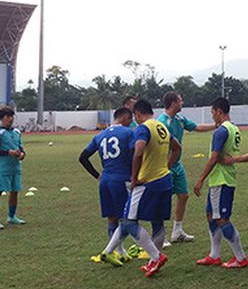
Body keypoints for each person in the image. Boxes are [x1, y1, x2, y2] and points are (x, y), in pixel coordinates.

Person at [99, 99, 181, 277]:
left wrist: (134, 178)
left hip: (147, 183)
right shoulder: (162, 127)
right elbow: (177, 148)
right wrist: (167, 166)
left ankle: (156, 256)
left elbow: (138, 152)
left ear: (137, 114)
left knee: (128, 221)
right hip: (165, 181)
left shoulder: (143, 128)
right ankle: (151, 261)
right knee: (157, 221)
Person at [193, 98, 247, 268]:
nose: (212, 116)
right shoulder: (234, 128)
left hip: (221, 179)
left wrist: (200, 179)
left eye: (212, 112)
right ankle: (214, 255)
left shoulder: (221, 131)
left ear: (218, 111)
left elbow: (214, 157)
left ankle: (240, 258)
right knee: (211, 215)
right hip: (222, 178)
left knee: (222, 219)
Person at [157, 91, 216, 244]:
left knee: (183, 195)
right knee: (163, 200)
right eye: (180, 100)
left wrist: (216, 125)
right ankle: (160, 235)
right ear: (173, 103)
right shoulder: (162, 122)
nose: (182, 103)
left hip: (177, 165)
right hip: (165, 166)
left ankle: (177, 232)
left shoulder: (180, 118)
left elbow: (196, 127)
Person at [79, 107, 135, 260]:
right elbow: (137, 153)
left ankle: (120, 251)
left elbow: (83, 157)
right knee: (127, 218)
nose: (131, 124)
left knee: (112, 217)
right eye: (130, 120)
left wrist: (97, 175)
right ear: (124, 118)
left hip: (105, 181)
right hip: (122, 180)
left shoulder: (100, 135)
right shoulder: (129, 133)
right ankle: (114, 251)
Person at [0, 107, 26, 228]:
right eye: (7, 117)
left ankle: (11, 216)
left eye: (12, 116)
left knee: (14, 192)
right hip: (2, 167)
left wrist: (22, 155)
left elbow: (21, 148)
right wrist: (8, 152)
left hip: (15, 167)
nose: (10, 119)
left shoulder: (17, 132)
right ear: (1, 119)